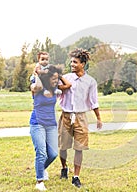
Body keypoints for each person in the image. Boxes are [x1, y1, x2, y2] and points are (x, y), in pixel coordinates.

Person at [58, 48, 103, 188]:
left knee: (79, 148)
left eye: (75, 62)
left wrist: (98, 118)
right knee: (63, 147)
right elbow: (56, 91)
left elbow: (94, 101)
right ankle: (64, 167)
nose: (72, 64)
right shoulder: (67, 78)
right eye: (71, 62)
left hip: (81, 117)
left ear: (82, 64)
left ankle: (76, 177)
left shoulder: (90, 82)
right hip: (66, 116)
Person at [29, 65, 71, 191]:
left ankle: (41, 169)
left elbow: (68, 85)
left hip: (51, 124)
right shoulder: (35, 87)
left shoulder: (55, 88)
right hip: (37, 123)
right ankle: (39, 181)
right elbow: (38, 86)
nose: (56, 81)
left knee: (52, 154)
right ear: (47, 78)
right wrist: (37, 74)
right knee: (41, 152)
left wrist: (59, 74)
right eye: (53, 79)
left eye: (57, 79)